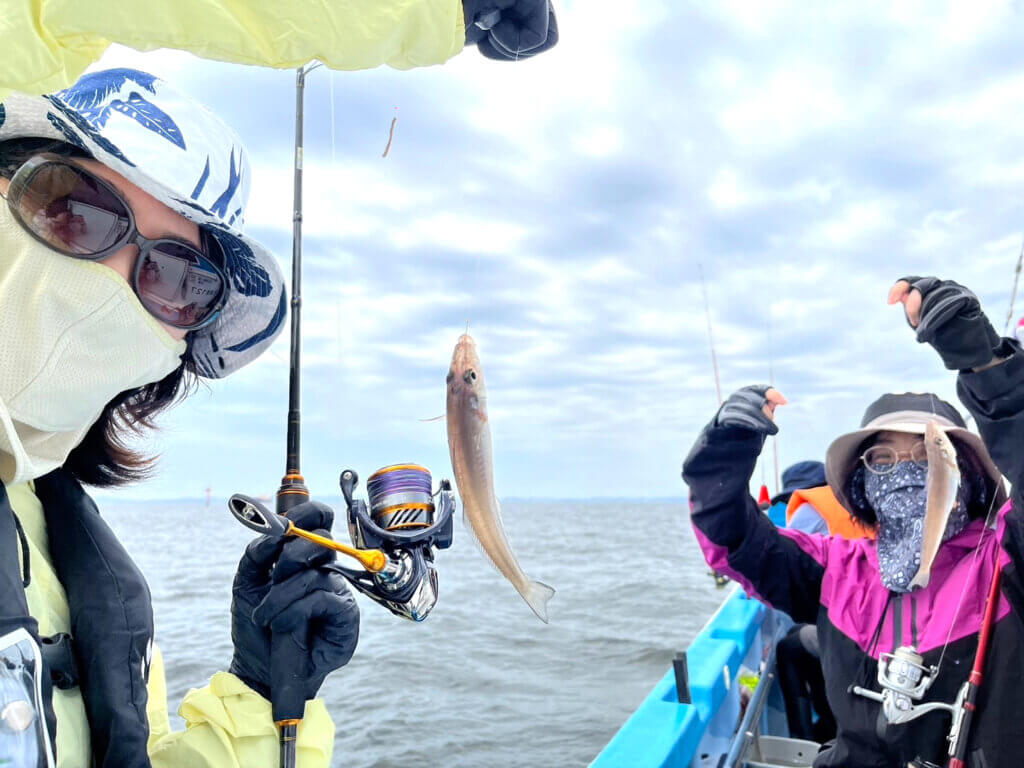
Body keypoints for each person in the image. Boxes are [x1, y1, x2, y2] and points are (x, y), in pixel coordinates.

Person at [0, 70, 363, 768]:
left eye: (174, 279)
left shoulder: (72, 557)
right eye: (70, 208)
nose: (110, 278)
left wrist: (261, 695)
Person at [683, 276, 1024, 767]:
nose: (906, 471)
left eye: (928, 455)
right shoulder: (835, 570)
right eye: (882, 460)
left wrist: (988, 364)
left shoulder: (1008, 558)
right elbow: (733, 539)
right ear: (862, 485)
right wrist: (723, 454)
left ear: (965, 475)